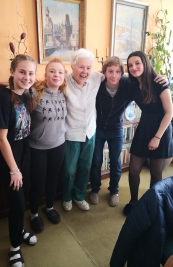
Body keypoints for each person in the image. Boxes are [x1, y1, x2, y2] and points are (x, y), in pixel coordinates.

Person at [89, 56, 168, 207]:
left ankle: (114, 191)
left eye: (117, 71)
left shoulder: (128, 86)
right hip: (98, 128)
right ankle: (95, 189)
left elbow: (144, 79)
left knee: (115, 161)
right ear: (104, 72)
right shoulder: (97, 84)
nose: (114, 75)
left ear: (121, 73)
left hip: (116, 129)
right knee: (96, 160)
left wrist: (165, 79)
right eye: (110, 71)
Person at [0, 54, 37, 267]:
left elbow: (55, 80)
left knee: (24, 195)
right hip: (8, 155)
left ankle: (18, 230)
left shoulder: (28, 93)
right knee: (17, 204)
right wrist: (13, 170)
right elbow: (1, 138)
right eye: (22, 72)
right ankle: (14, 248)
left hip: (24, 149)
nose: (27, 77)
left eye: (30, 73)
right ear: (12, 72)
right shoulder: (2, 99)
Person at [123, 51, 173, 216]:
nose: (134, 67)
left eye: (137, 63)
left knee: (155, 172)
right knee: (133, 170)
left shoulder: (159, 82)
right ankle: (133, 202)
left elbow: (170, 113)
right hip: (144, 126)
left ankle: (154, 205)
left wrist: (157, 137)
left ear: (145, 63)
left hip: (161, 129)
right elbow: (113, 76)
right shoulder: (132, 85)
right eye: (130, 65)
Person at [61, 48, 105, 211]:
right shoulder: (63, 80)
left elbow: (118, 74)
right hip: (71, 133)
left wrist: (158, 76)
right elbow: (40, 83)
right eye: (81, 67)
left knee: (85, 167)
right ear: (72, 66)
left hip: (90, 132)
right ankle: (66, 196)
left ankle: (79, 196)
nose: (85, 71)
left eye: (88, 67)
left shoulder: (96, 78)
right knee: (68, 169)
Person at [29, 58, 67, 233]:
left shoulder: (63, 94)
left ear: (64, 76)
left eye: (60, 72)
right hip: (37, 147)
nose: (56, 75)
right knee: (37, 182)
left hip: (58, 145)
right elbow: (15, 92)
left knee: (53, 178)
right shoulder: (34, 93)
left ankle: (49, 207)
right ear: (45, 75)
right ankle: (34, 214)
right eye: (52, 71)